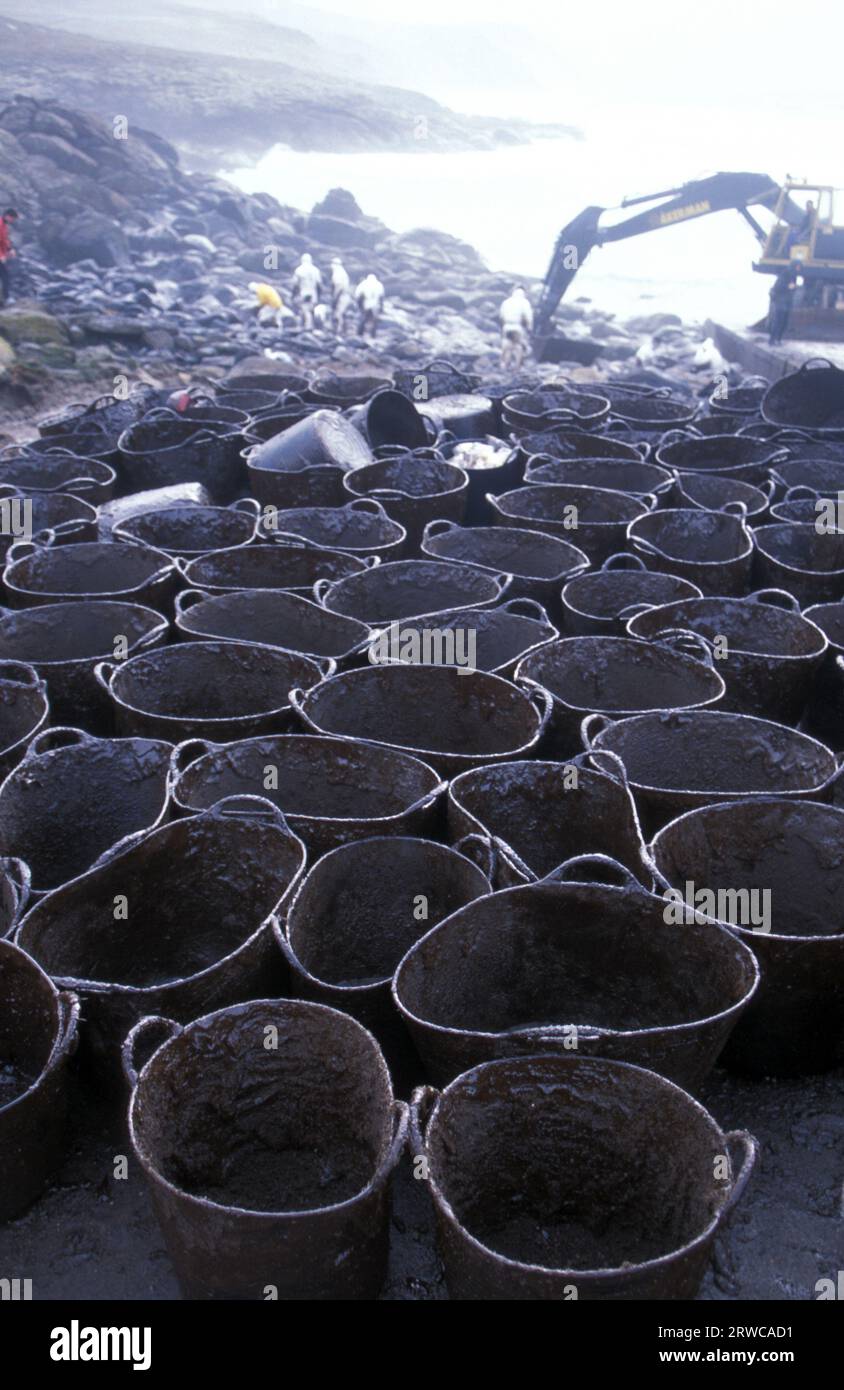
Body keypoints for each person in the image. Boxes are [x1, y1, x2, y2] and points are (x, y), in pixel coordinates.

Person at [499, 284, 533, 369]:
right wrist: (529, 327)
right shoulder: (524, 302)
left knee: (507, 345)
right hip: (517, 327)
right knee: (518, 346)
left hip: (506, 326)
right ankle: (516, 368)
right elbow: (528, 316)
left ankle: (504, 366)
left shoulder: (506, 302)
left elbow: (501, 316)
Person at [768, 261, 801, 346]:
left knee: (784, 322)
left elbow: (792, 288)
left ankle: (778, 340)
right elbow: (778, 286)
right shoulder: (785, 274)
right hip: (780, 301)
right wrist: (788, 287)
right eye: (798, 266)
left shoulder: (793, 275)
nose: (799, 268)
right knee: (779, 320)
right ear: (795, 266)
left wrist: (793, 288)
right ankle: (772, 340)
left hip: (787, 301)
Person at [292, 253, 322, 330]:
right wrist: (319, 296)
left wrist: (294, 295)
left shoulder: (299, 270)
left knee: (304, 311)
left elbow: (295, 284)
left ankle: (306, 327)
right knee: (311, 311)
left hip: (303, 293)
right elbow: (319, 285)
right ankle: (310, 327)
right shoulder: (316, 270)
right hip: (313, 293)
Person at [355, 271, 385, 339]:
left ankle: (359, 333)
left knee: (363, 319)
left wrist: (360, 306)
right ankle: (373, 335)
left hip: (366, 304)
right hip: (375, 304)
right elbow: (381, 297)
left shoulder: (363, 284)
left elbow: (358, 295)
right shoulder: (379, 285)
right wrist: (381, 308)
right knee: (374, 320)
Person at [0, 209, 20, 305]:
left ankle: (5, 298)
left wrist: (9, 249)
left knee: (5, 275)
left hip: (2, 255)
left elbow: (4, 240)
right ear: (8, 216)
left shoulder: (4, 225)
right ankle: (6, 298)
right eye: (13, 219)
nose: (13, 221)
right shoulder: (0, 225)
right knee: (5, 276)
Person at [330, 257, 353, 335]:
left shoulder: (337, 273)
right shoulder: (343, 272)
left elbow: (338, 287)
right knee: (342, 314)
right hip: (346, 296)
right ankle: (344, 331)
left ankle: (339, 331)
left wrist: (335, 298)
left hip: (341, 297)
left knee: (338, 314)